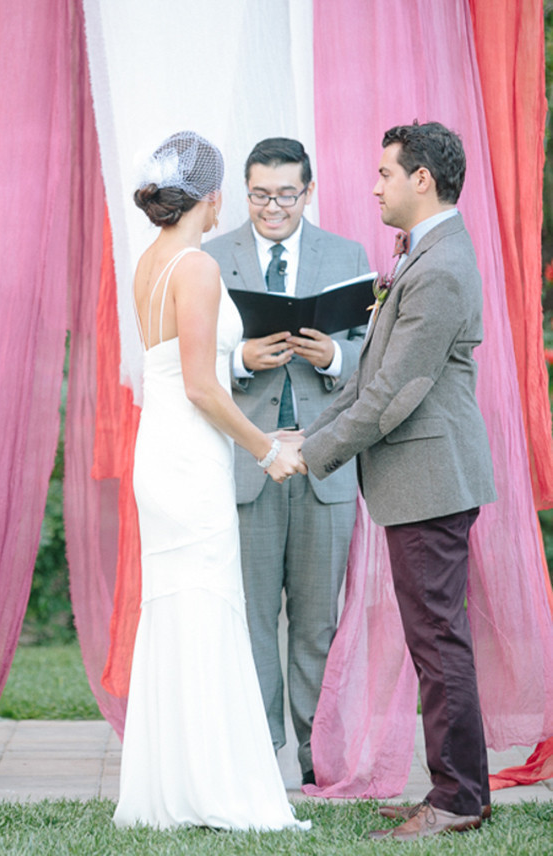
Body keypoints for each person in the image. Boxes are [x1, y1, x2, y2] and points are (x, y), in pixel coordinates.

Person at [300, 121, 497, 841]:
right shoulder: (428, 255)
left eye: (386, 173)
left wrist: (312, 454)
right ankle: (460, 789)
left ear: (423, 179)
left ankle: (455, 799)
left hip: (431, 480)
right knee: (435, 641)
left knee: (439, 643)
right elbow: (372, 378)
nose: (375, 185)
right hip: (420, 480)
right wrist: (309, 436)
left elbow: (393, 396)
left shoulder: (441, 266)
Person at [113, 131, 310, 831]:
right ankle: (212, 786)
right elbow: (200, 385)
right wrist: (264, 448)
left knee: (180, 613)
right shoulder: (195, 267)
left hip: (160, 452)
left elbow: (179, 371)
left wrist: (242, 368)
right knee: (204, 608)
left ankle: (177, 784)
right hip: (189, 459)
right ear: (217, 196)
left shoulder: (151, 261)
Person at [206, 138, 370, 785]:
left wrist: (330, 355)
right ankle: (256, 758)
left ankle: (315, 760)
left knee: (315, 620)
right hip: (249, 461)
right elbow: (187, 360)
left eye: (285, 194)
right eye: (259, 194)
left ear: (309, 191)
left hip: (322, 464)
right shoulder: (213, 259)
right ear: (245, 192)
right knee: (248, 618)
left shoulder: (346, 257)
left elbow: (370, 363)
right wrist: (240, 360)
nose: (272, 207)